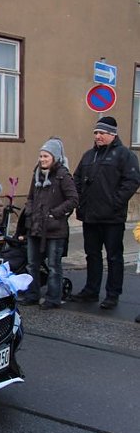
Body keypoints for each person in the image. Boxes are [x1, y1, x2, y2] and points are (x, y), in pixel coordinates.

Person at [70, 116, 140, 309]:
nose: (98, 136)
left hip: (112, 218)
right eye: (96, 133)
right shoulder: (88, 156)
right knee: (91, 255)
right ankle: (91, 291)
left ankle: (112, 294)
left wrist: (115, 203)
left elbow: (132, 181)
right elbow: (75, 179)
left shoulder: (125, 155)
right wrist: (80, 201)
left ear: (112, 134)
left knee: (114, 257)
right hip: (90, 216)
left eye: (102, 133)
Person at [15, 138, 79, 309]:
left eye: (46, 156)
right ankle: (33, 294)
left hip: (54, 229)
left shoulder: (62, 176)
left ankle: (53, 298)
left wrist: (54, 214)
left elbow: (73, 199)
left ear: (55, 157)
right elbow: (30, 197)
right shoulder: (36, 174)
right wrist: (29, 211)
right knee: (32, 264)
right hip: (35, 226)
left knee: (53, 265)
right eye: (41, 156)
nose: (42, 159)